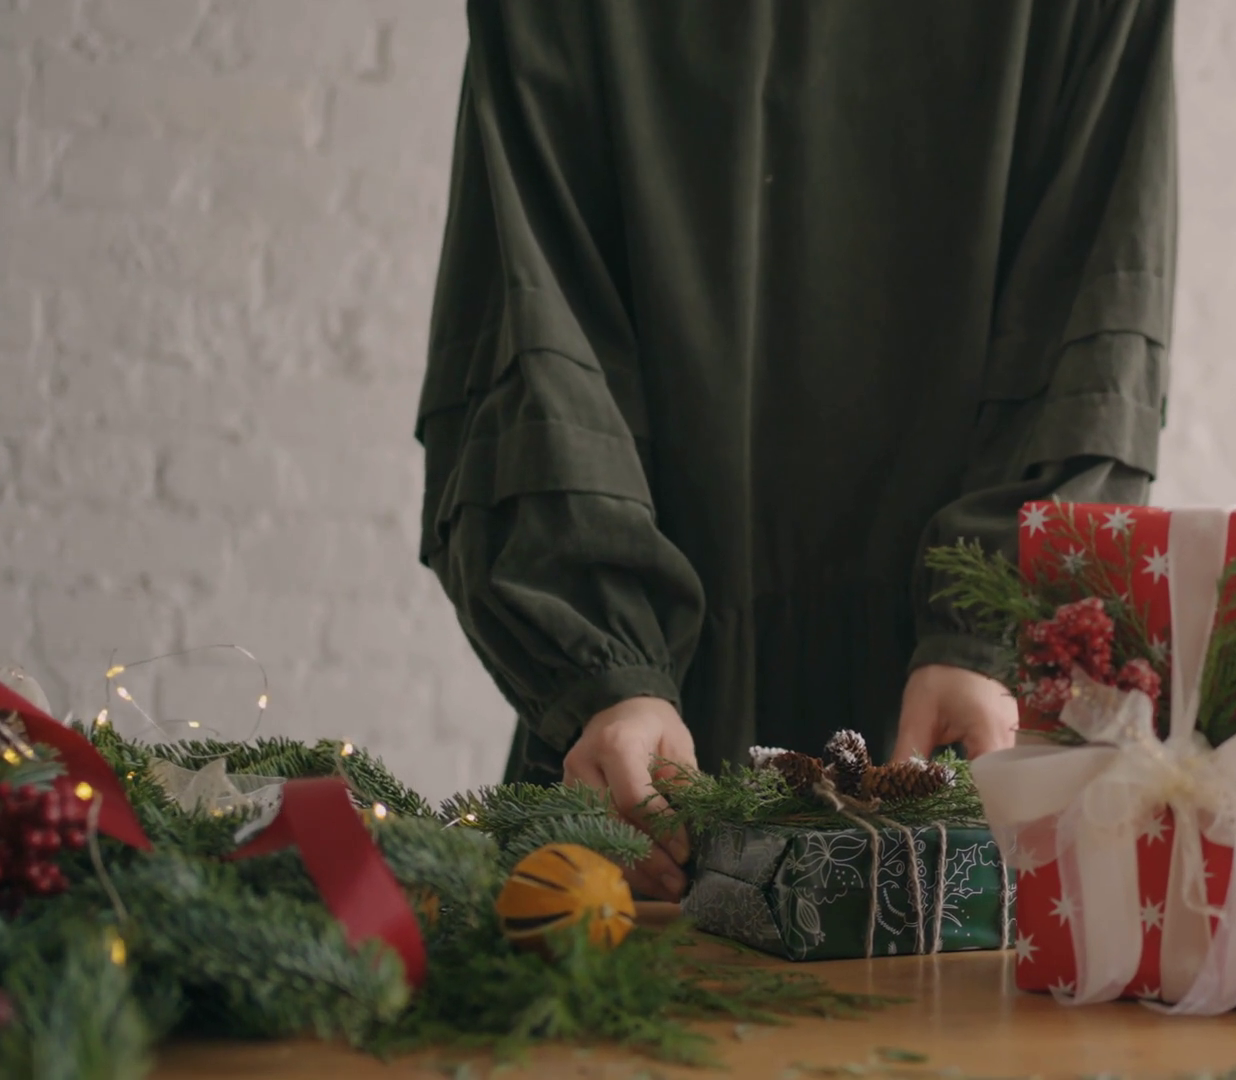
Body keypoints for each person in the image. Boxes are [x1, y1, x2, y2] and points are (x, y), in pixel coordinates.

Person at [415, 0, 1175, 901]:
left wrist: (983, 637)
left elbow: (1095, 330)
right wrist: (612, 677)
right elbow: (531, 331)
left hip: (937, 749)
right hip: (648, 767)